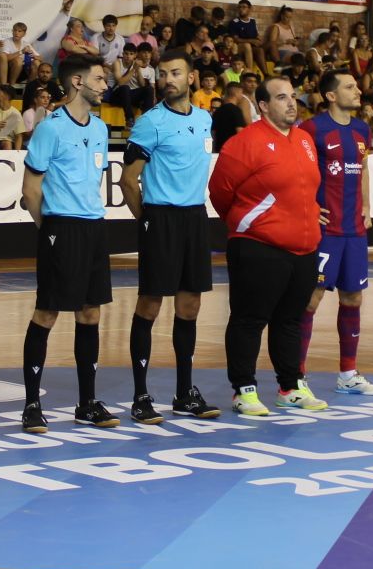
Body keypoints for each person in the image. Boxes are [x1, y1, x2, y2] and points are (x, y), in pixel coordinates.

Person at [208, 77, 330, 415]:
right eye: (281, 98)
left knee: (289, 320)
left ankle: (290, 386)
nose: (291, 103)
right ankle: (244, 389)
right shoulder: (244, 143)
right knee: (249, 319)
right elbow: (220, 192)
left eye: (293, 96)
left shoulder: (305, 140)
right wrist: (249, 221)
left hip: (304, 249)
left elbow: (303, 187)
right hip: (258, 246)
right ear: (263, 106)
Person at [17, 56, 119, 432]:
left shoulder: (101, 128)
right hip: (62, 227)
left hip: (94, 228)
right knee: (47, 312)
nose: (105, 84)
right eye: (98, 78)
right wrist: (51, 229)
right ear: (77, 82)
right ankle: (31, 404)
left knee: (90, 314)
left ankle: (87, 402)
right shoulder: (51, 128)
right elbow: (30, 189)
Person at [122, 49, 221, 423]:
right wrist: (147, 221)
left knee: (190, 306)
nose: (168, 80)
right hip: (161, 217)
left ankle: (184, 392)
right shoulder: (150, 122)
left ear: (191, 78)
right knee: (150, 304)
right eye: (163, 74)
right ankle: (141, 395)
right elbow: (129, 181)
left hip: (195, 217)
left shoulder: (204, 119)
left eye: (176, 73)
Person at [297, 71, 373, 394]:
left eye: (357, 85)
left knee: (353, 297)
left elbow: (365, 168)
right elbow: (298, 171)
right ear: (331, 96)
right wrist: (308, 207)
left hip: (355, 230)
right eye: (349, 87)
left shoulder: (362, 129)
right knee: (310, 300)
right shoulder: (312, 129)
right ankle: (296, 376)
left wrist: (368, 205)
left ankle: (348, 374)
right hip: (324, 231)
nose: (358, 90)